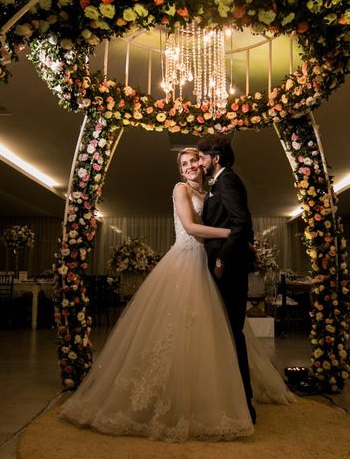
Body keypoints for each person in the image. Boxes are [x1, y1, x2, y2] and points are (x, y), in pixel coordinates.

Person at [59, 148, 293, 442]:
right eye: (184, 163)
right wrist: (235, 235)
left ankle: (209, 395)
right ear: (181, 171)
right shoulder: (180, 188)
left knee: (211, 331)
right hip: (185, 261)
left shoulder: (211, 191)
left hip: (206, 264)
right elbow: (192, 228)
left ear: (204, 163)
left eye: (194, 160)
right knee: (175, 330)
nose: (191, 165)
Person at [197, 136, 257, 424]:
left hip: (228, 269)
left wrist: (222, 259)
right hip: (224, 265)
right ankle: (230, 398)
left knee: (232, 334)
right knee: (225, 333)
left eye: (202, 157)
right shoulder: (220, 183)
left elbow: (241, 223)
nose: (200, 163)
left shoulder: (227, 181)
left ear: (215, 158)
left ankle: (244, 405)